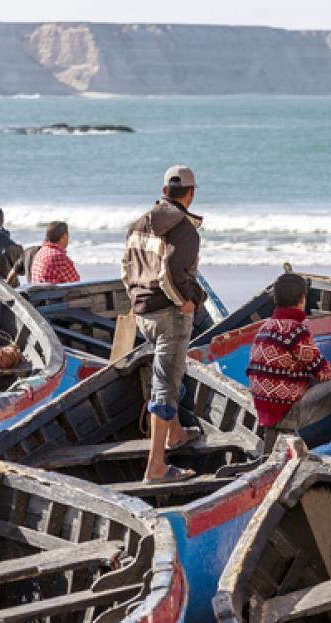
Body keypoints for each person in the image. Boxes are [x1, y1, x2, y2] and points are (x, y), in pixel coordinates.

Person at [122, 164, 210, 483]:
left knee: (165, 373)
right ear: (191, 193)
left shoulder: (138, 223)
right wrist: (185, 300)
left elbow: (126, 268)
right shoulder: (184, 229)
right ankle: (156, 467)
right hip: (169, 314)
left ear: (163, 192)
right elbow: (170, 273)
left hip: (143, 312)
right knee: (166, 386)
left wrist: (135, 296)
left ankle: (175, 433)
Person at [247, 272, 331, 462]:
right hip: (287, 412)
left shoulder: (266, 328)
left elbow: (314, 368)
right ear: (303, 299)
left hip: (267, 410)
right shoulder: (294, 329)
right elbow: (323, 373)